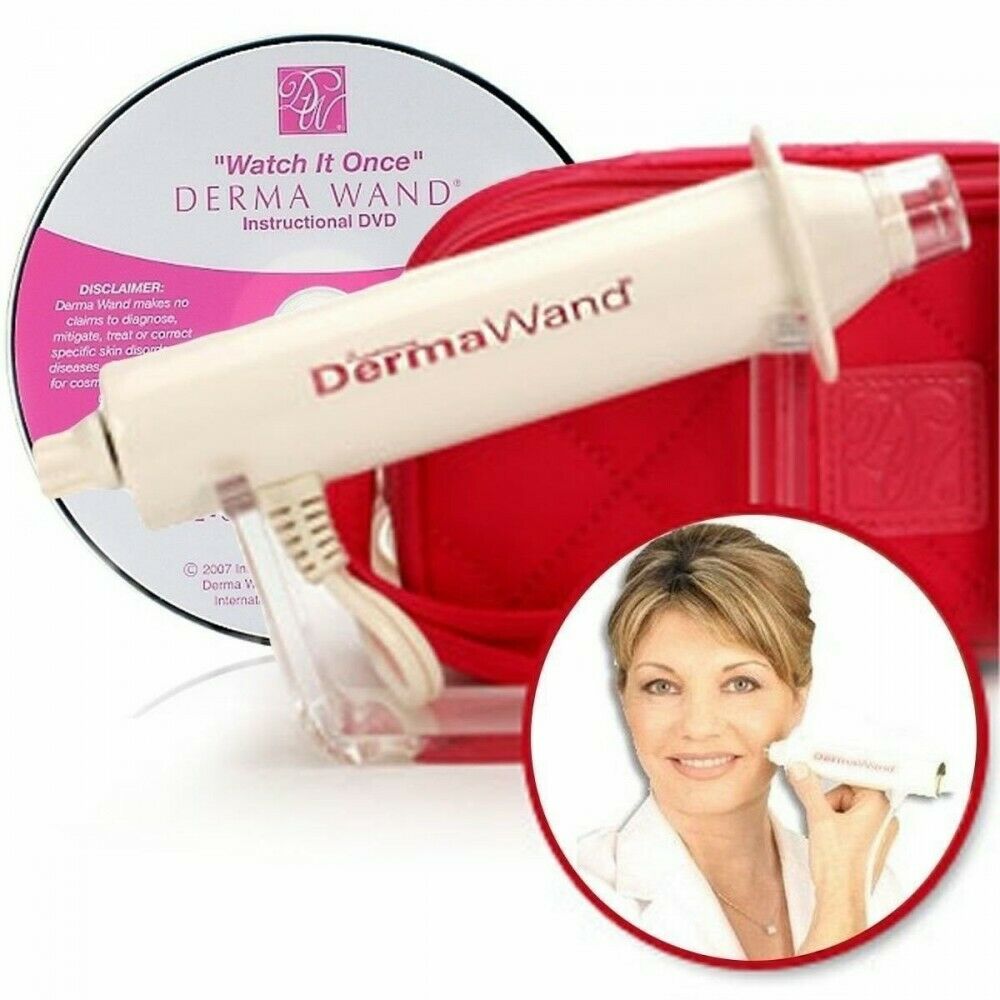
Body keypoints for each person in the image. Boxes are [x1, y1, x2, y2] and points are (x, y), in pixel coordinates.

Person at [577, 522, 900, 961]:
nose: (699, 726)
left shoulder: (877, 888)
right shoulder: (581, 893)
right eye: (662, 686)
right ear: (624, 697)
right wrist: (843, 897)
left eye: (741, 684)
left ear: (798, 697)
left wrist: (847, 884)